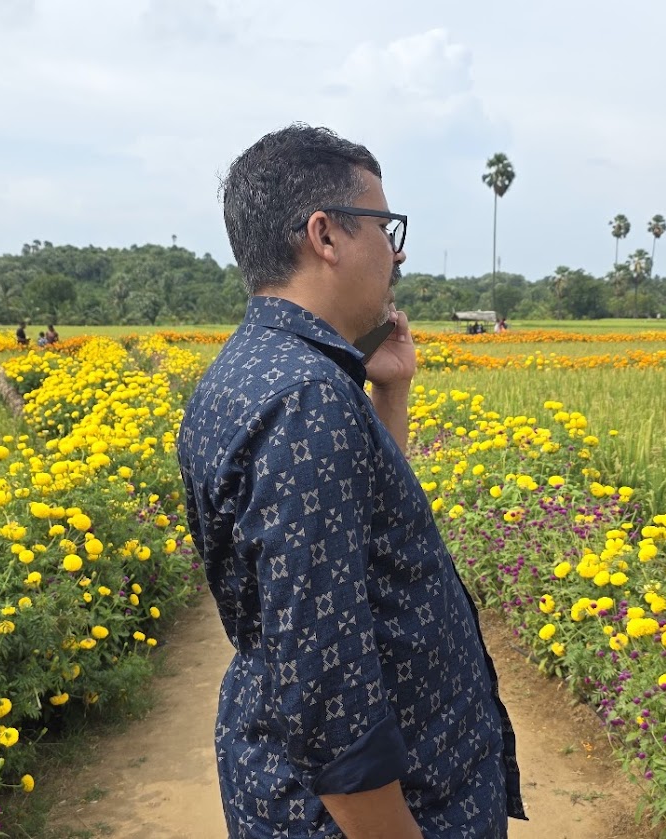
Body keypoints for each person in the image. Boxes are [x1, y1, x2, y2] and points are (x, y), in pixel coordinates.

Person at [177, 124, 524, 839]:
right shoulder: (306, 400)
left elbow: (358, 540)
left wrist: (387, 394)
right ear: (326, 235)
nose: (397, 252)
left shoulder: (261, 369)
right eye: (384, 226)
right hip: (380, 814)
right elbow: (327, 687)